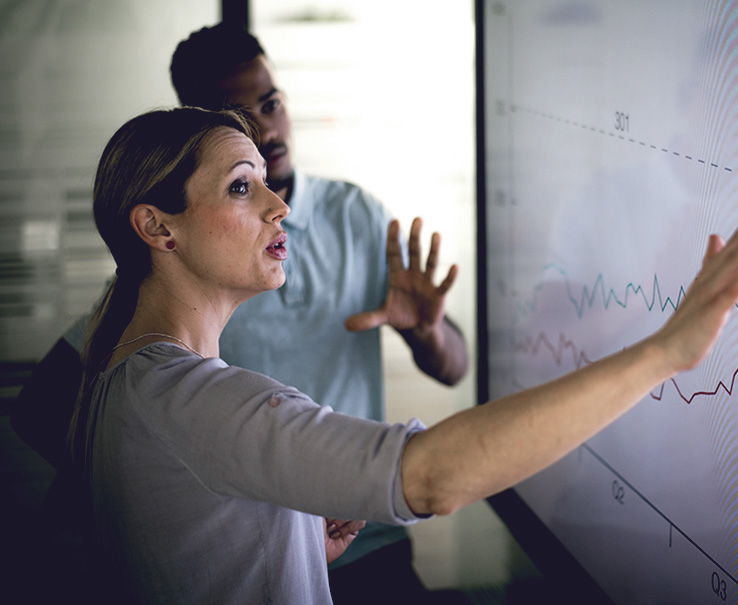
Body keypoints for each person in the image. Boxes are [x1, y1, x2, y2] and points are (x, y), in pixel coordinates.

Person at [75, 105, 738, 603]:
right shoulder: (194, 400)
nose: (278, 205)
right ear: (156, 227)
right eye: (239, 187)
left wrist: (290, 544)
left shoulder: (122, 378)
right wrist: (663, 353)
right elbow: (434, 477)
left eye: (263, 178)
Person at [12, 22, 468, 600]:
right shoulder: (169, 296)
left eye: (271, 103)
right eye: (239, 116)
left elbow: (453, 368)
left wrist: (425, 332)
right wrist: (195, 514)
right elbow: (432, 474)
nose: (269, 127)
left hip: (357, 537)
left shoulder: (355, 215)